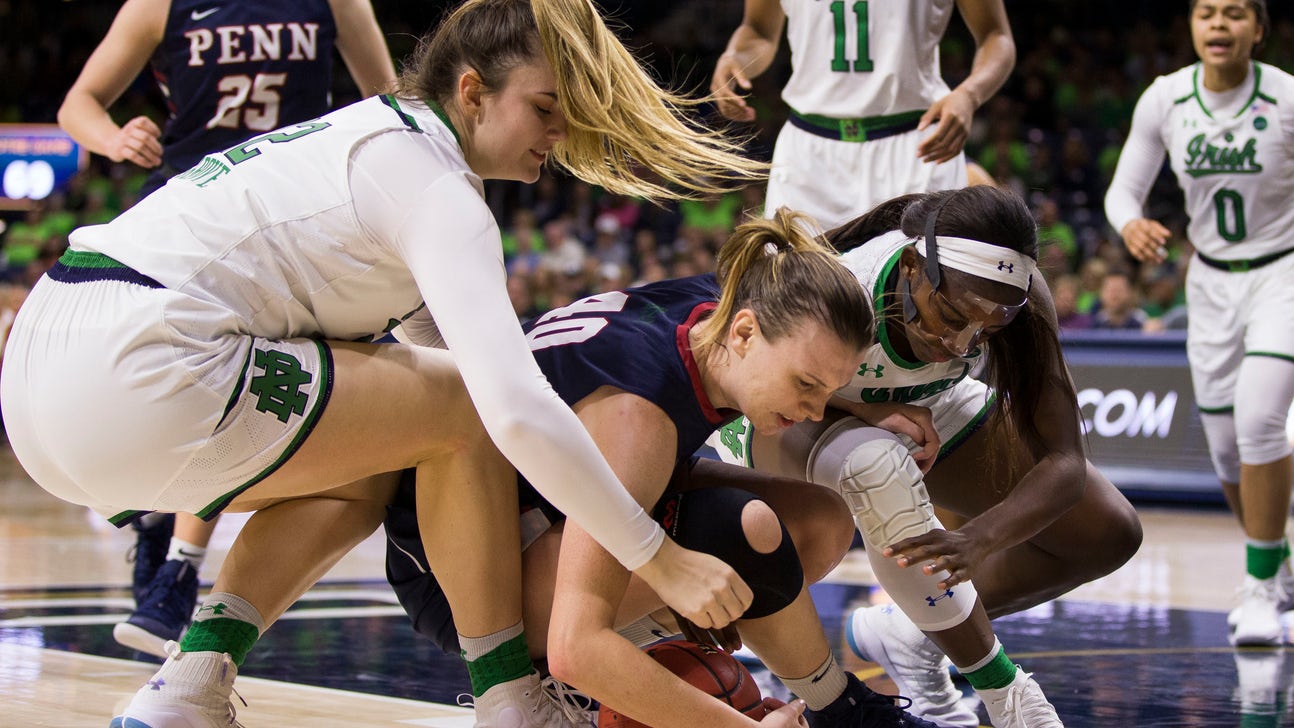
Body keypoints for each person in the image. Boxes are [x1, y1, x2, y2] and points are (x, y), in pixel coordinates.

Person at [0, 0, 773, 725]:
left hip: (47, 379)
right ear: (472, 92)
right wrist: (658, 557)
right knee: (461, 410)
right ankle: (511, 700)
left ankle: (188, 688)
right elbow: (506, 407)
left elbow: (460, 350)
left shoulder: (372, 137)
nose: (561, 134)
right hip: (135, 362)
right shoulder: (435, 188)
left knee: (377, 452)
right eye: (545, 108)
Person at [385, 210, 941, 728]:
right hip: (465, 573)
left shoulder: (718, 310)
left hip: (544, 503)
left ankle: (829, 701)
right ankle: (836, 708)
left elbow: (785, 360)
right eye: (807, 386)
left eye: (829, 390)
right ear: (744, 333)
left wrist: (861, 406)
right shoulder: (637, 418)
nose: (816, 412)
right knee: (739, 528)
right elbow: (575, 647)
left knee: (818, 520)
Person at [711, 186, 1143, 727]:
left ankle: (909, 634)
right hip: (799, 408)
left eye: (987, 329)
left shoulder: (1020, 299)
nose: (963, 343)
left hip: (922, 401)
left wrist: (978, 537)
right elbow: (772, 384)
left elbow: (1064, 463)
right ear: (914, 266)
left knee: (1108, 531)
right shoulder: (847, 286)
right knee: (877, 465)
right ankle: (1004, 692)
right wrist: (868, 412)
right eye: (952, 315)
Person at [55, 0, 399, 658]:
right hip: (187, 202)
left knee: (257, 380)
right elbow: (80, 104)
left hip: (291, 207)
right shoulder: (159, 4)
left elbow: (387, 103)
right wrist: (112, 137)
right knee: (166, 380)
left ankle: (180, 562)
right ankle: (166, 534)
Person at [1104, 0, 1294, 646]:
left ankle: (1262, 586)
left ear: (1258, 30)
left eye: (1236, 13)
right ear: (1190, 25)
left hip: (1282, 272)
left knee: (1262, 417)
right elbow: (1123, 189)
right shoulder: (1165, 99)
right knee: (1225, 447)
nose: (1219, 25)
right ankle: (1276, 561)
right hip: (1209, 280)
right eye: (1208, 12)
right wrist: (1128, 222)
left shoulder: (1287, 98)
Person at [709, 0, 1015, 230]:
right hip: (809, 152)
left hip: (913, 145)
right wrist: (734, 56)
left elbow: (996, 35)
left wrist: (969, 94)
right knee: (791, 305)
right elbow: (759, 30)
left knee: (924, 302)